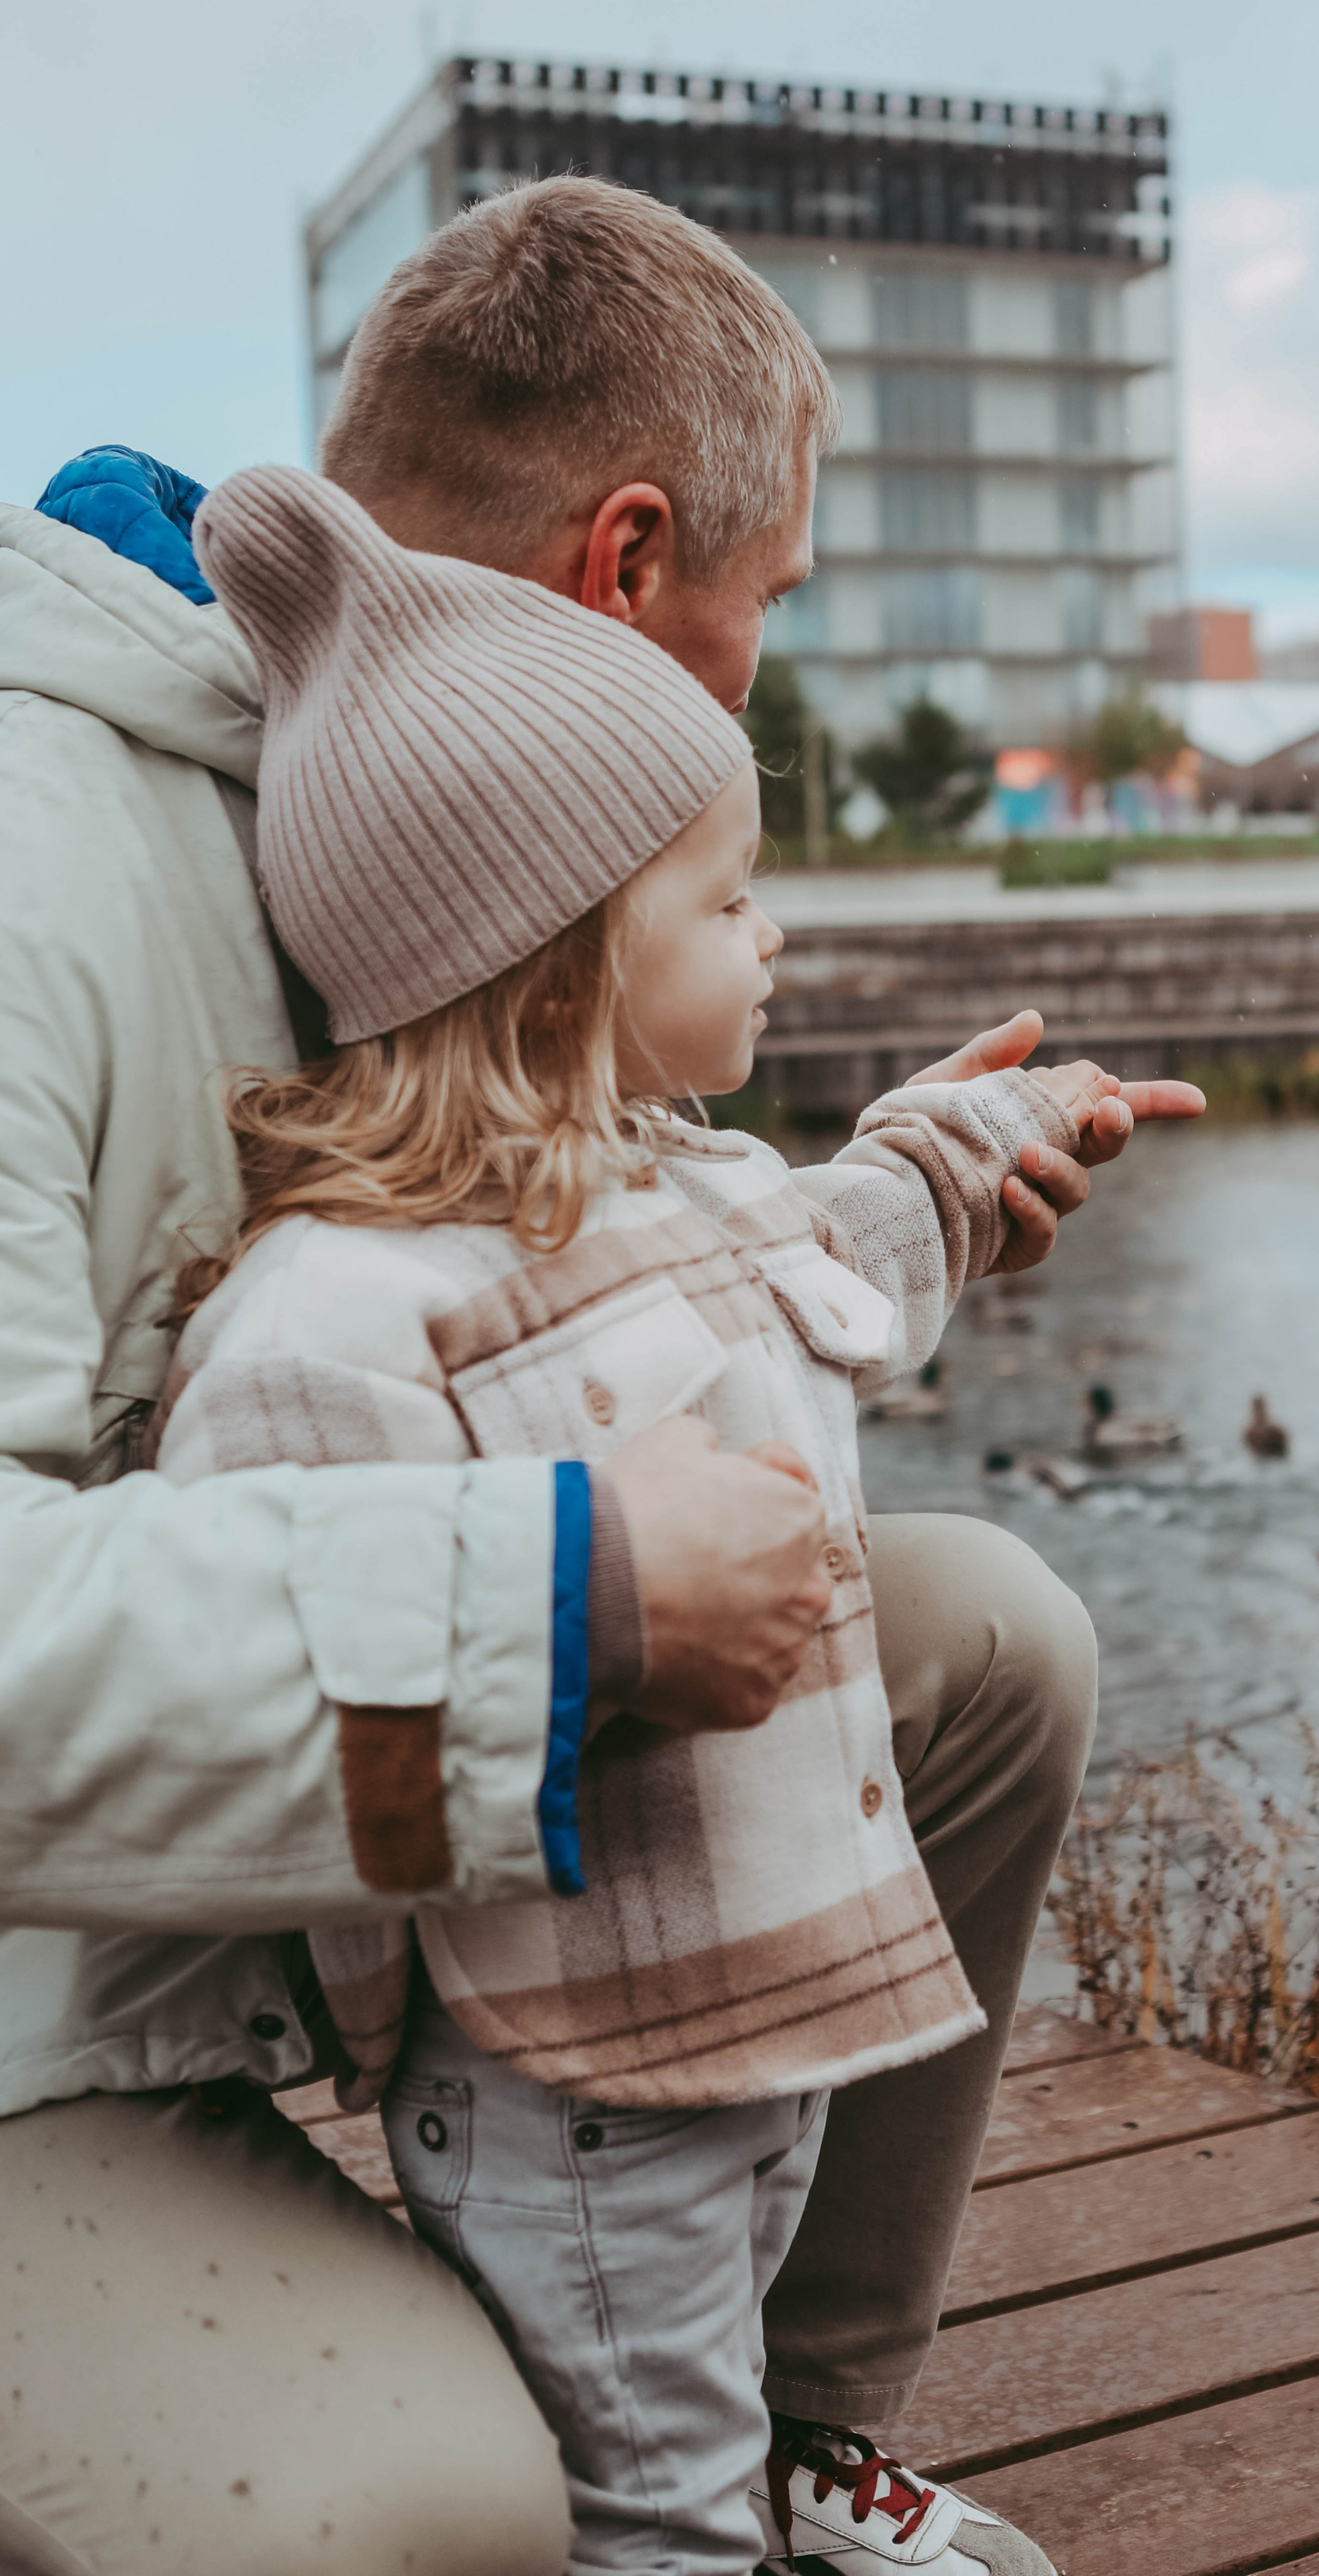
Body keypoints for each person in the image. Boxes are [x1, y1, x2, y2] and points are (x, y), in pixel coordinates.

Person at [0, 176, 1202, 2576]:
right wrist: (557, 1606)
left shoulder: (449, 814)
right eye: (768, 607)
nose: (766, 671)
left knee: (988, 1646)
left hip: (314, 1844)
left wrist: (906, 1186)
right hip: (51, 1996)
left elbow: (610, 1285)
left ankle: (784, 2432)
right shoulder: (45, 880)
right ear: (628, 564)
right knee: (434, 2520)